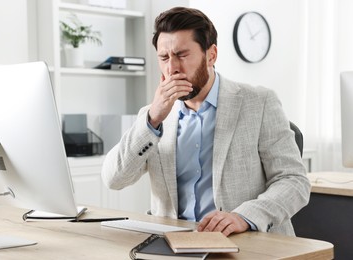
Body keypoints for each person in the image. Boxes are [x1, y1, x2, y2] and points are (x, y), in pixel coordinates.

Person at [101, 6, 310, 236]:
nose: (172, 68)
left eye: (182, 55)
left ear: (211, 55)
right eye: (164, 58)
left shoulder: (259, 103)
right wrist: (152, 119)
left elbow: (294, 181)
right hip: (175, 246)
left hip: (248, 243)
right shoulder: (154, 117)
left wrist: (245, 217)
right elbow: (113, 179)